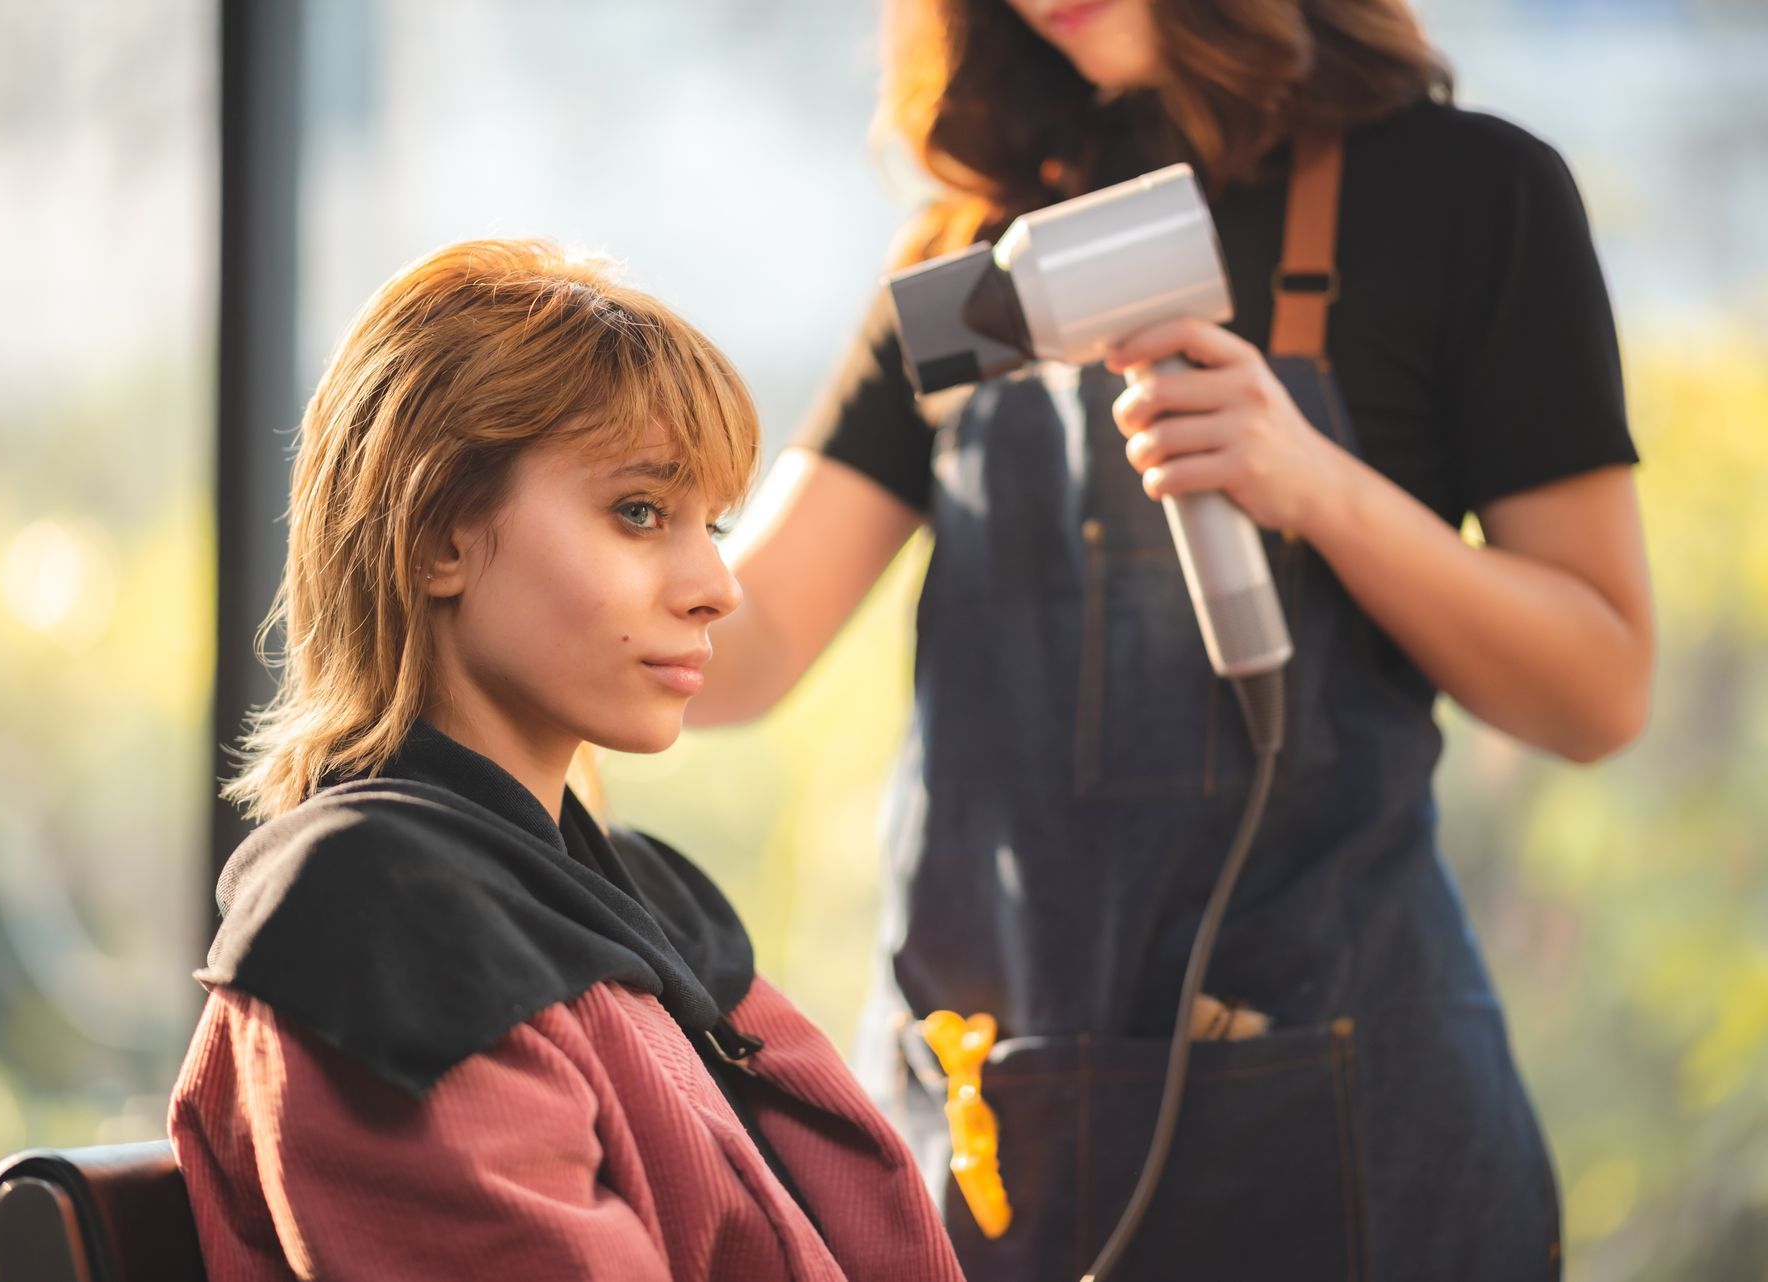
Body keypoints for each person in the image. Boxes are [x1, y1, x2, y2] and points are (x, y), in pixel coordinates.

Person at [689, 1, 1654, 1278]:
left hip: (1351, 1139)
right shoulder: (977, 264)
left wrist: (1317, 487)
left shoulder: (1469, 199)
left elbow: (1599, 688)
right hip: (1001, 1137)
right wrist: (524, 563)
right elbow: (747, 647)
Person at [168, 239, 966, 1282]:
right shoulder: (380, 920)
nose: (718, 585)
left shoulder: (636, 894)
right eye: (640, 512)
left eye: (710, 524)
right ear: (436, 537)